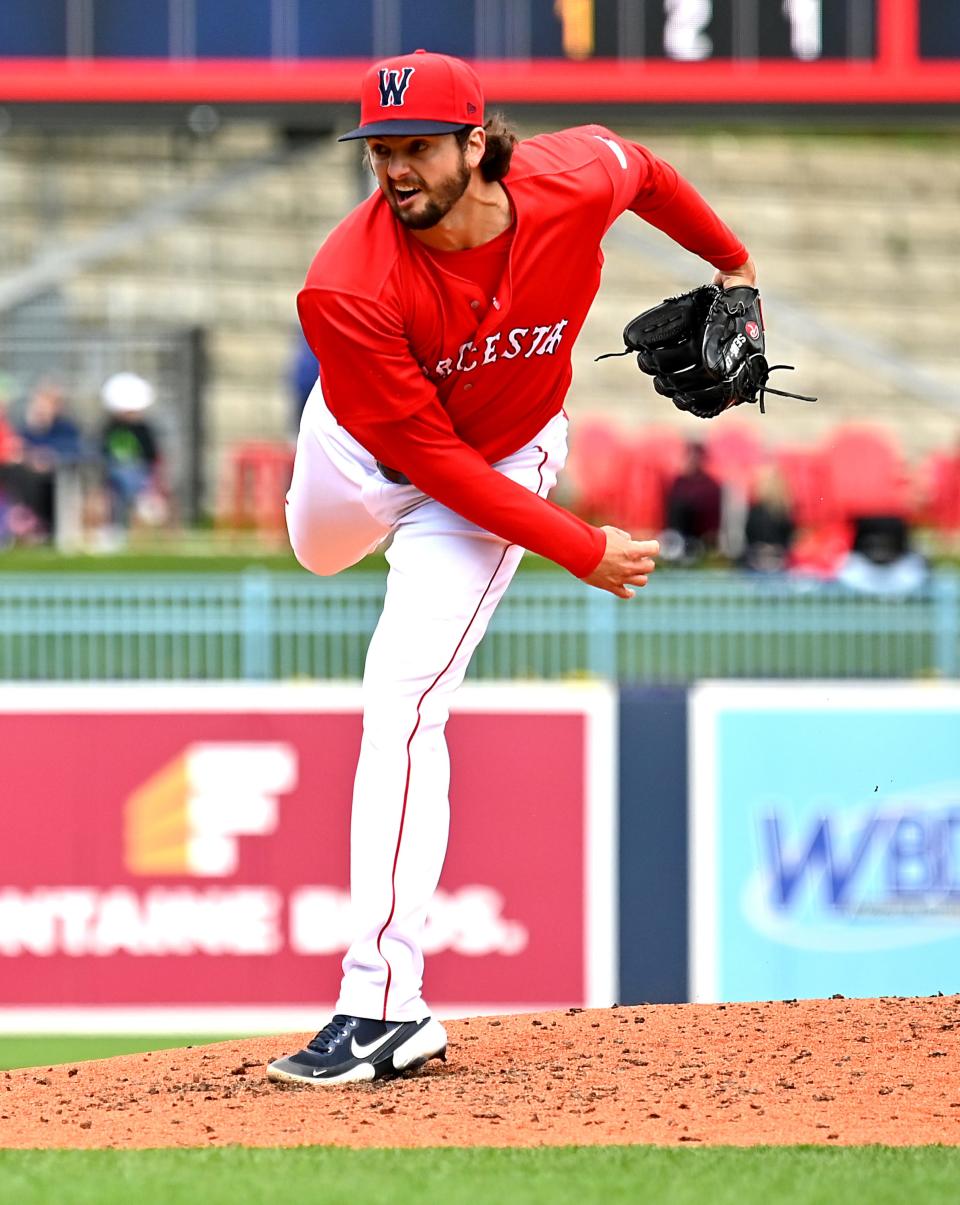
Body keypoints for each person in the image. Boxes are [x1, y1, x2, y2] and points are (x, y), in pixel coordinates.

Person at [269, 49, 756, 1087]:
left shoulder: (569, 180)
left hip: (499, 464)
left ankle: (382, 1004)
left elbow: (647, 173)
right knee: (316, 553)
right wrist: (578, 544)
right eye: (380, 149)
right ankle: (383, 1002)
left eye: (415, 147)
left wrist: (735, 264)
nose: (394, 169)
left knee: (401, 701)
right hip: (361, 460)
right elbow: (427, 457)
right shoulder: (346, 283)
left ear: (476, 142)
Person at [98, 372, 164, 532]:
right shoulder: (110, 427)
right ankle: (116, 526)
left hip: (140, 473)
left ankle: (140, 513)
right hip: (113, 473)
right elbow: (102, 451)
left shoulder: (143, 429)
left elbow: (151, 454)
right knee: (117, 486)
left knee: (131, 481)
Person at [662, 441, 723, 564]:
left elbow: (713, 519)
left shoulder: (711, 486)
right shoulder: (679, 482)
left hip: (701, 542)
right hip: (676, 540)